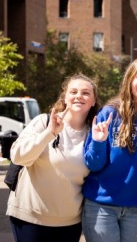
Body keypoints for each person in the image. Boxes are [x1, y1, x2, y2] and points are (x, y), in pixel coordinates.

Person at [6, 73, 99, 242]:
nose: (79, 96)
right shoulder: (43, 122)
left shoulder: (95, 135)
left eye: (86, 93)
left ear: (93, 101)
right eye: (73, 92)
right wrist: (49, 134)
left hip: (70, 224)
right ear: (65, 97)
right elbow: (18, 156)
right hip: (30, 219)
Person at [82, 56, 137, 242]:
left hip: (136, 208)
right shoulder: (109, 113)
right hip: (101, 205)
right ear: (130, 78)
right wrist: (98, 142)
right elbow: (93, 165)